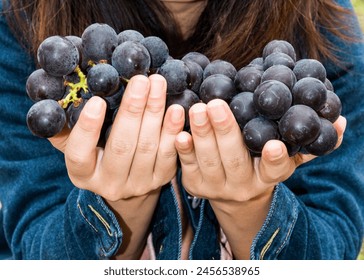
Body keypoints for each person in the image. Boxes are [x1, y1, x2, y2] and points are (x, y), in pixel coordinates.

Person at [0, 0, 363, 260]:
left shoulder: (325, 24)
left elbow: (333, 253)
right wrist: (120, 205)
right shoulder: (18, 20)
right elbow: (34, 255)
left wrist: (249, 207)